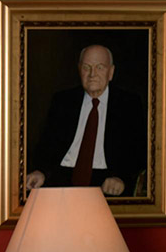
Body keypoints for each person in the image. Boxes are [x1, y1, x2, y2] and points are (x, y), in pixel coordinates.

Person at [26, 44, 146, 196]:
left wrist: (121, 178)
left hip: (106, 180)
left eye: (100, 67)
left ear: (111, 72)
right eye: (86, 67)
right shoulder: (62, 101)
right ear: (79, 70)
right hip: (61, 177)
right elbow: (46, 145)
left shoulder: (128, 104)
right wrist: (40, 171)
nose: (92, 74)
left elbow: (138, 152)